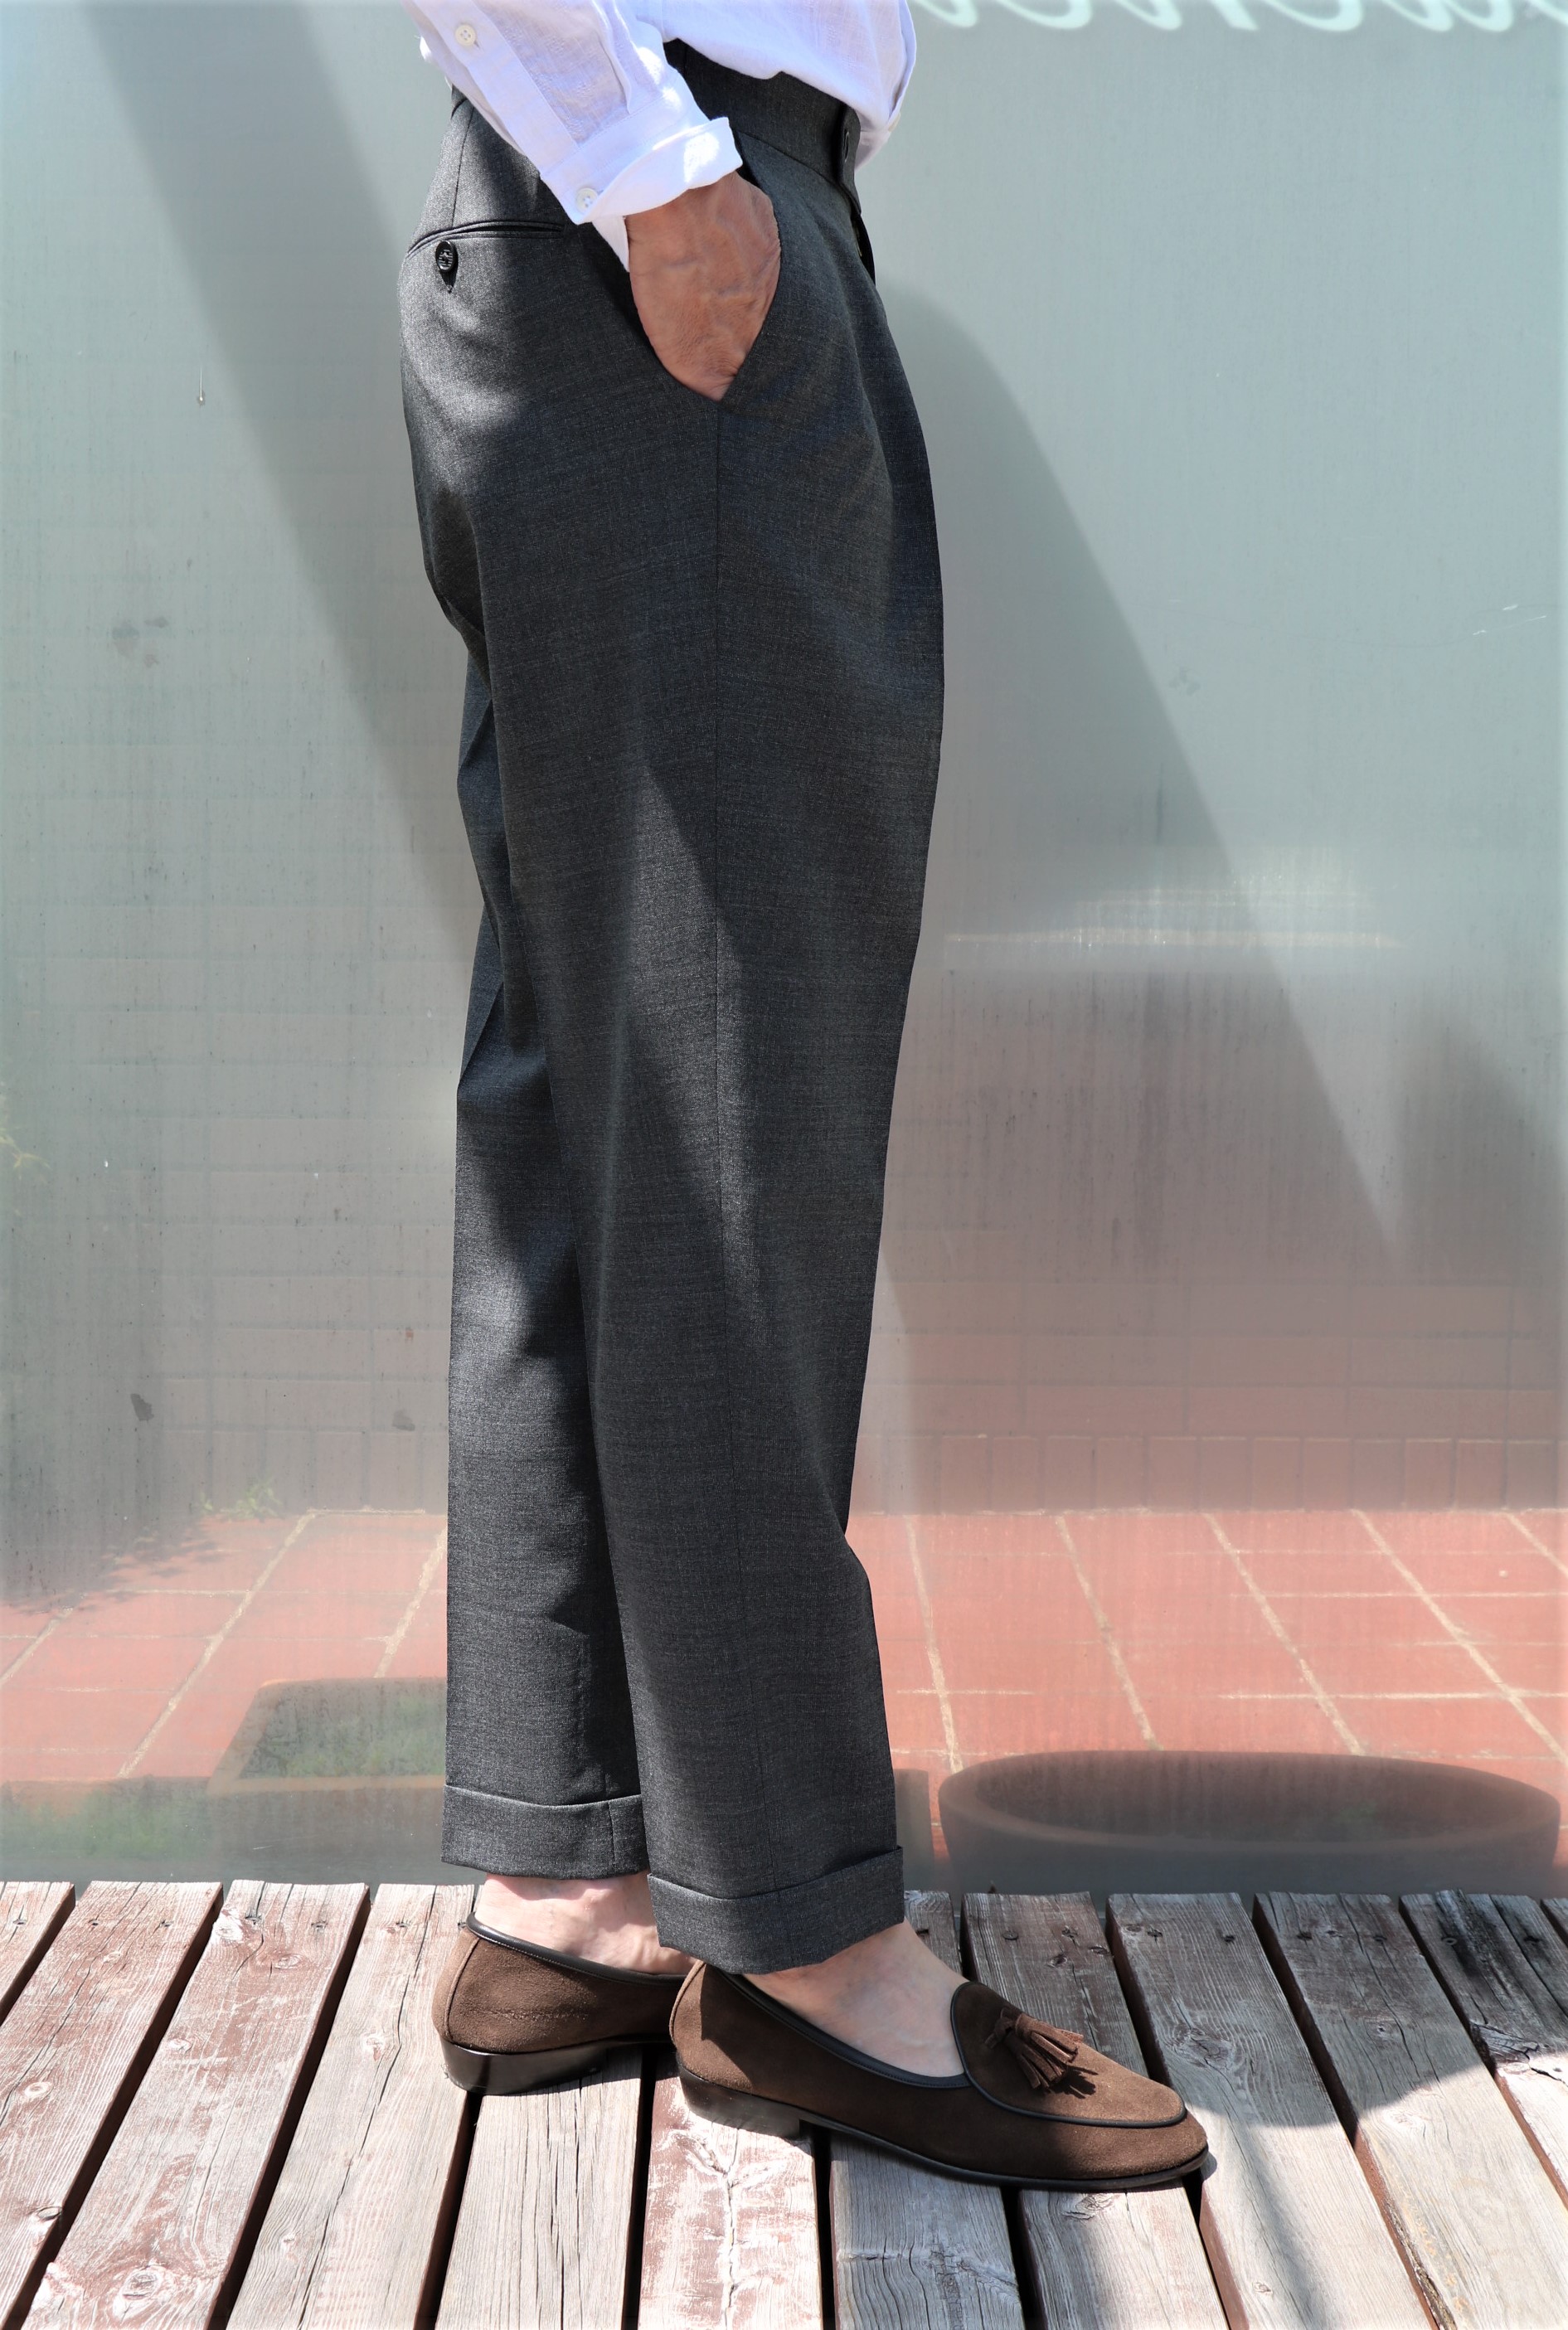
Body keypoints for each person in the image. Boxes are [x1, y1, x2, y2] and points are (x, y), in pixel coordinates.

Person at [397, 0, 1204, 2186]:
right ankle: (800, 1949)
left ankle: (569, 1892)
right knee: (727, 1086)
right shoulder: (662, 193)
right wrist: (663, 178)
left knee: (594, 1090)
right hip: (653, 212)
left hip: (599, 215)